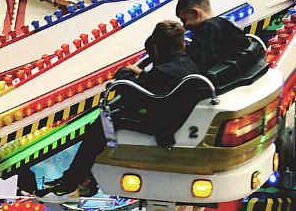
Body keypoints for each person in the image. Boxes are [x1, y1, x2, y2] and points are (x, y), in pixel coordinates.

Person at [35, 20, 200, 199]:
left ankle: (71, 182)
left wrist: (125, 73)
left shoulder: (163, 72)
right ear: (182, 45)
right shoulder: (190, 64)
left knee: (102, 124)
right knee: (107, 123)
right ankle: (81, 177)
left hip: (160, 122)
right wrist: (143, 76)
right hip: (174, 113)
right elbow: (157, 84)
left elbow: (129, 92)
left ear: (158, 48)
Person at [176, 0, 250, 73]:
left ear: (196, 13)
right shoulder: (226, 23)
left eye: (184, 20)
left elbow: (196, 64)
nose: (184, 26)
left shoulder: (207, 29)